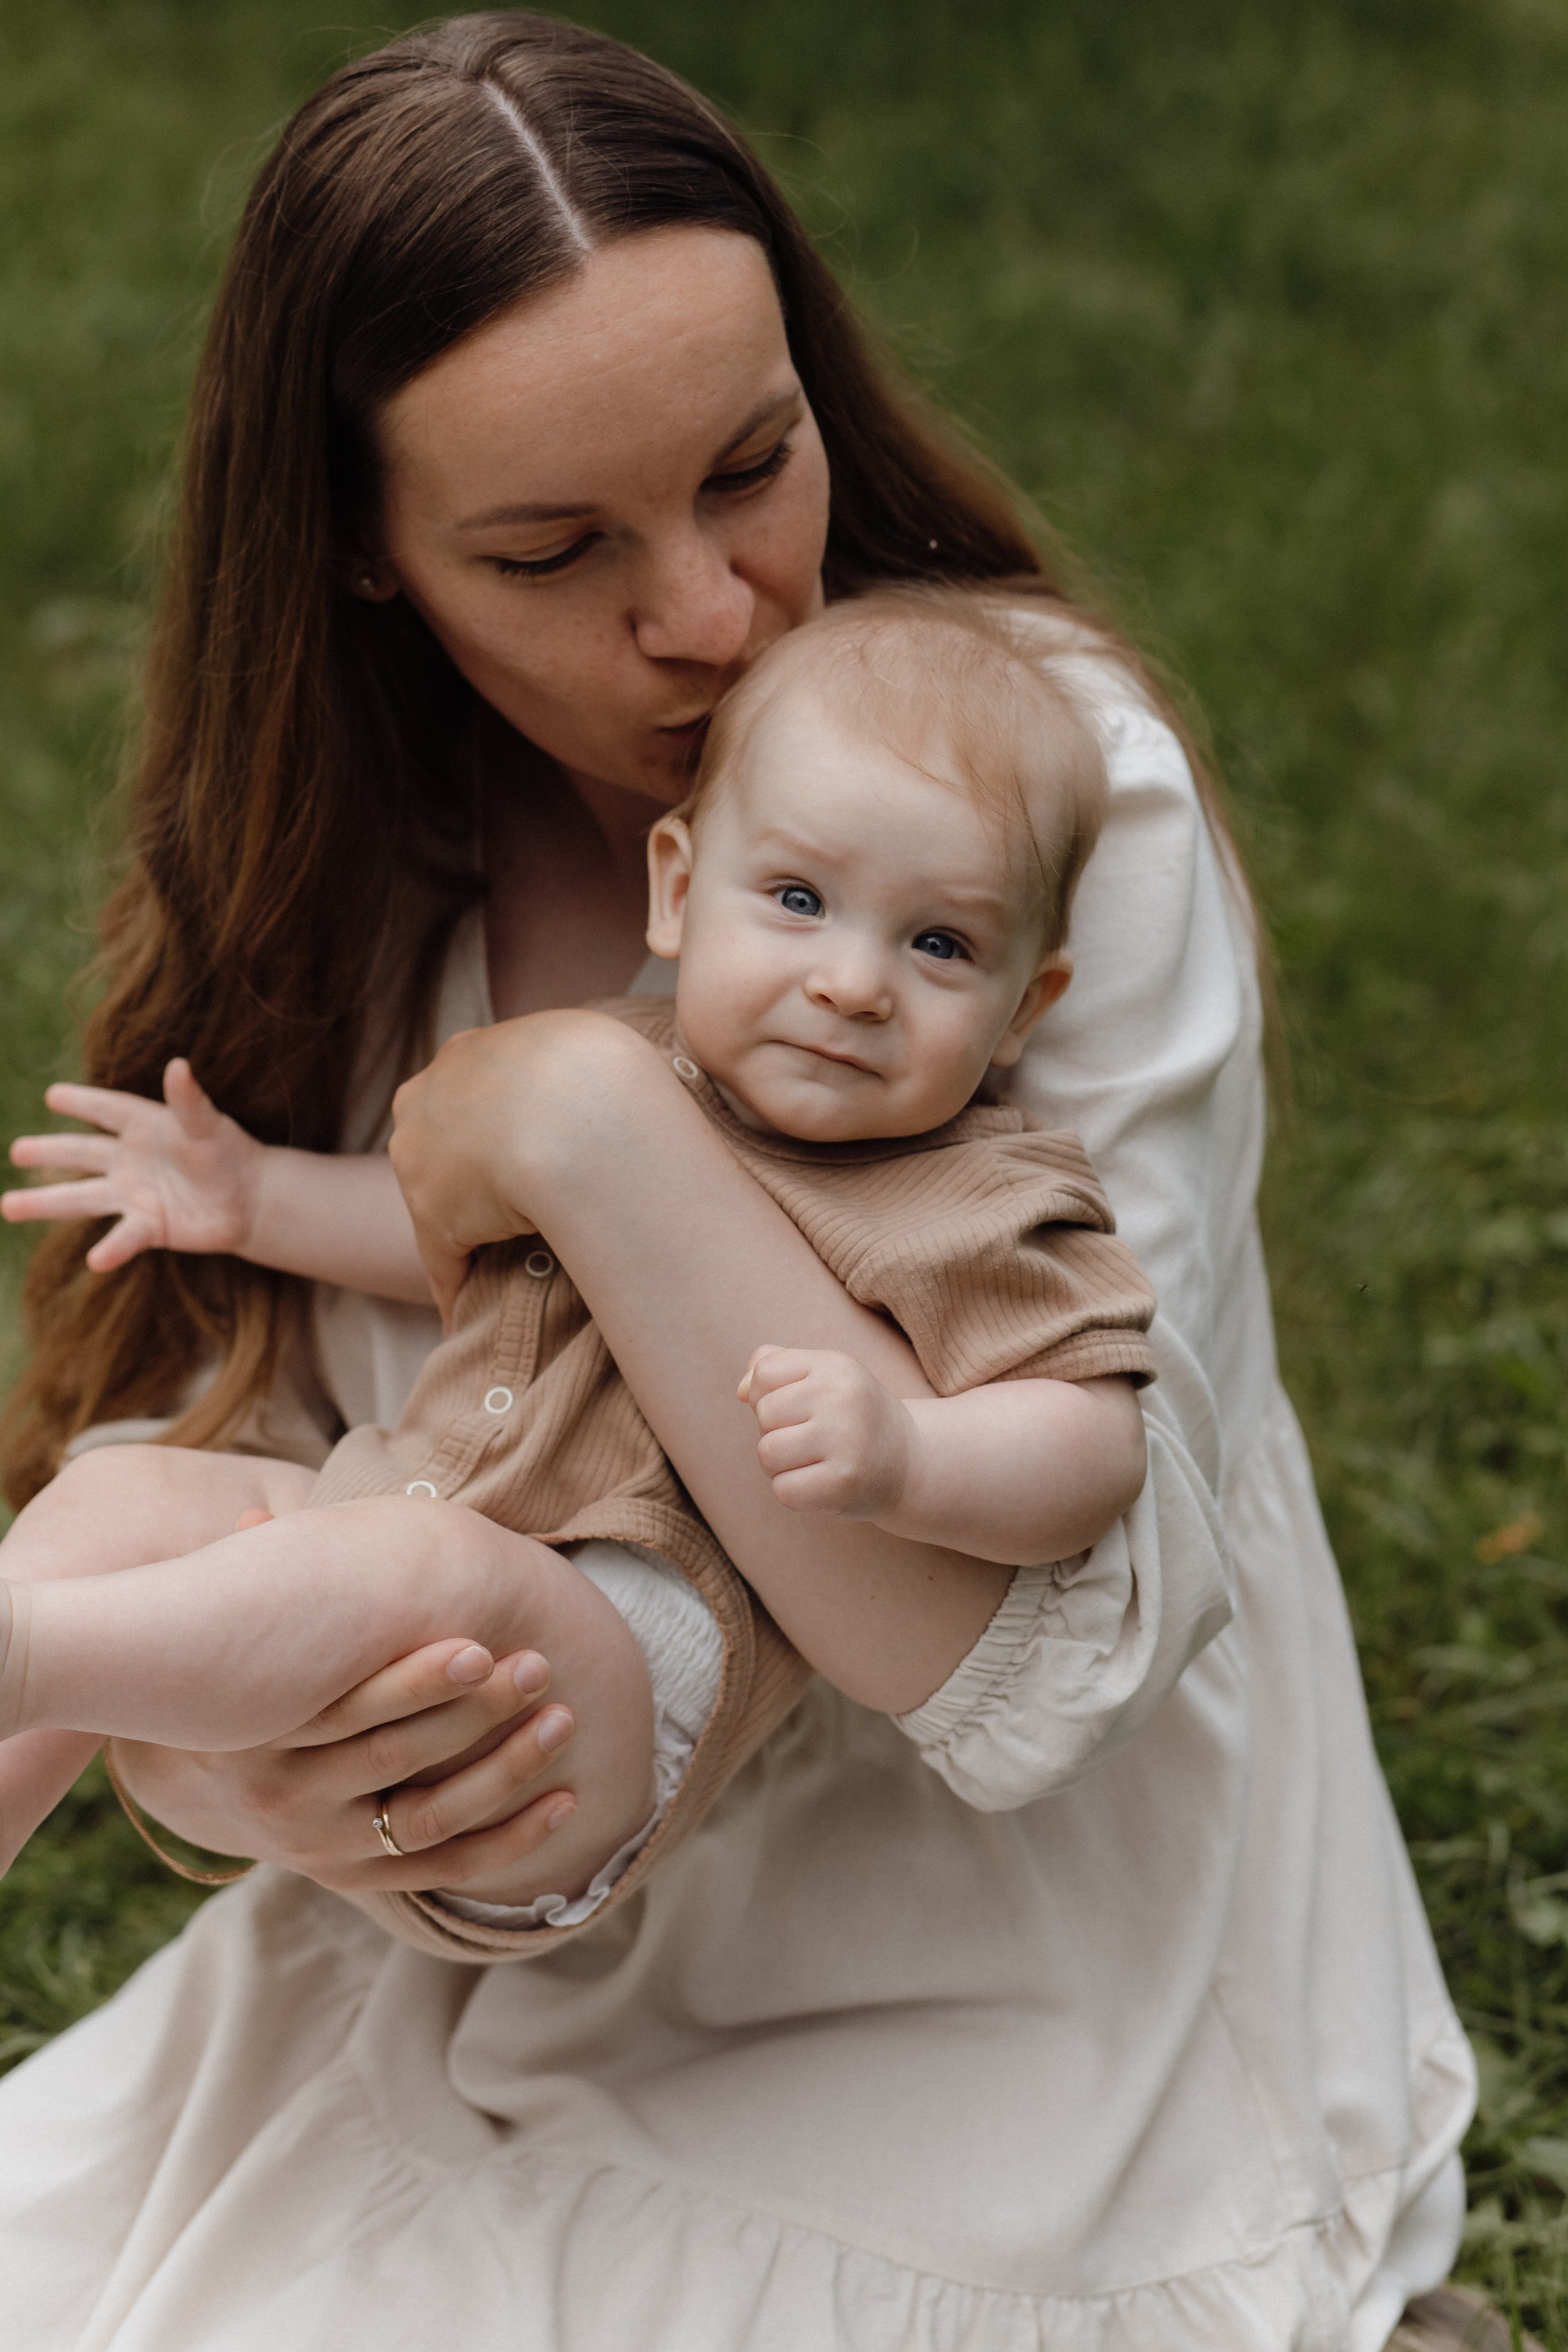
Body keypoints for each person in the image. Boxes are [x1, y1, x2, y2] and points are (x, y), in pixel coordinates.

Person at [0, 15, 1474, 2350]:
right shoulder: (362, 868)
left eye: (753, 466)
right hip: (506, 1901)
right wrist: (263, 1797)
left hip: (998, 1966)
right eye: (552, 549)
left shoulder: (1008, 808)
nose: (710, 612)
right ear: (364, 556)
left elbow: (1008, 1662)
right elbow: (270, 1468)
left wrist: (585, 1129)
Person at [0, 591, 1156, 1926]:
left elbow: (1092, 1445)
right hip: (404, 1512)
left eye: (938, 944)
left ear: (1024, 1006)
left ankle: (28, 1656)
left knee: (419, 1572)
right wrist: (251, 1197)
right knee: (121, 1500)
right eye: (797, 899)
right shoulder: (617, 1063)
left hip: (607, 1674)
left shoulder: (977, 1193)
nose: (852, 983)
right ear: (680, 891)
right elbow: (430, 1232)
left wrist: (909, 1454)